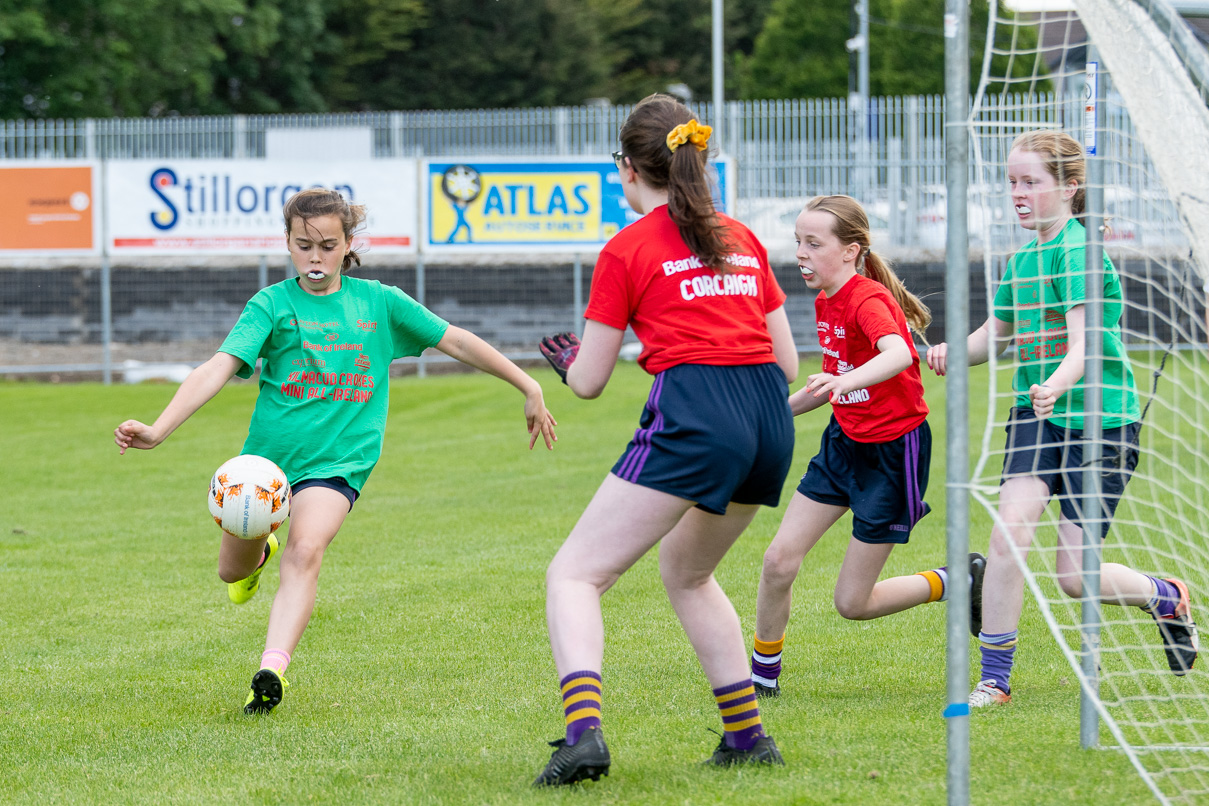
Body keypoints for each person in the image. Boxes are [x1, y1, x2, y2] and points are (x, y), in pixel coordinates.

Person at [115, 188, 556, 714]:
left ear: (348, 244)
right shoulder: (271, 305)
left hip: (338, 464)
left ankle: (270, 669)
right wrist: (160, 428)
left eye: (327, 245)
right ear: (288, 243)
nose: (315, 257)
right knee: (232, 573)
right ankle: (260, 550)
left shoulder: (381, 304)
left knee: (307, 550)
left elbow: (455, 340)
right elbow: (219, 367)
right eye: (304, 246)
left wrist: (529, 385)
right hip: (263, 469)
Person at [532, 94, 800, 786]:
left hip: (699, 411)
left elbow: (589, 381)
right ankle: (745, 737)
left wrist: (564, 363)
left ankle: (582, 736)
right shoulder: (739, 235)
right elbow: (790, 364)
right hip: (769, 417)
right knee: (687, 572)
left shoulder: (626, 247)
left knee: (574, 574)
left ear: (627, 169)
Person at [926, 130, 1198, 708]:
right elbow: (995, 337)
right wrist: (948, 350)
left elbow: (1084, 346)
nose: (1017, 194)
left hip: (1100, 420)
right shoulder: (1022, 260)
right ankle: (994, 681)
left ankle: (1164, 595)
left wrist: (1053, 382)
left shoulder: (1078, 252)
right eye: (1011, 183)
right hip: (1037, 416)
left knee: (1074, 577)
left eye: (1031, 183)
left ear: (1070, 188)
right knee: (1007, 536)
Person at [748, 195, 984, 698]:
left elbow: (898, 355)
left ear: (851, 251)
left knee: (852, 603)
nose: (801, 254)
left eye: (814, 244)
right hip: (844, 444)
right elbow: (831, 385)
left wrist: (841, 381)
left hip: (893, 453)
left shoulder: (867, 298)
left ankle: (956, 581)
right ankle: (762, 679)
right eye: (798, 243)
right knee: (778, 561)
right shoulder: (824, 300)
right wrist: (763, 417)